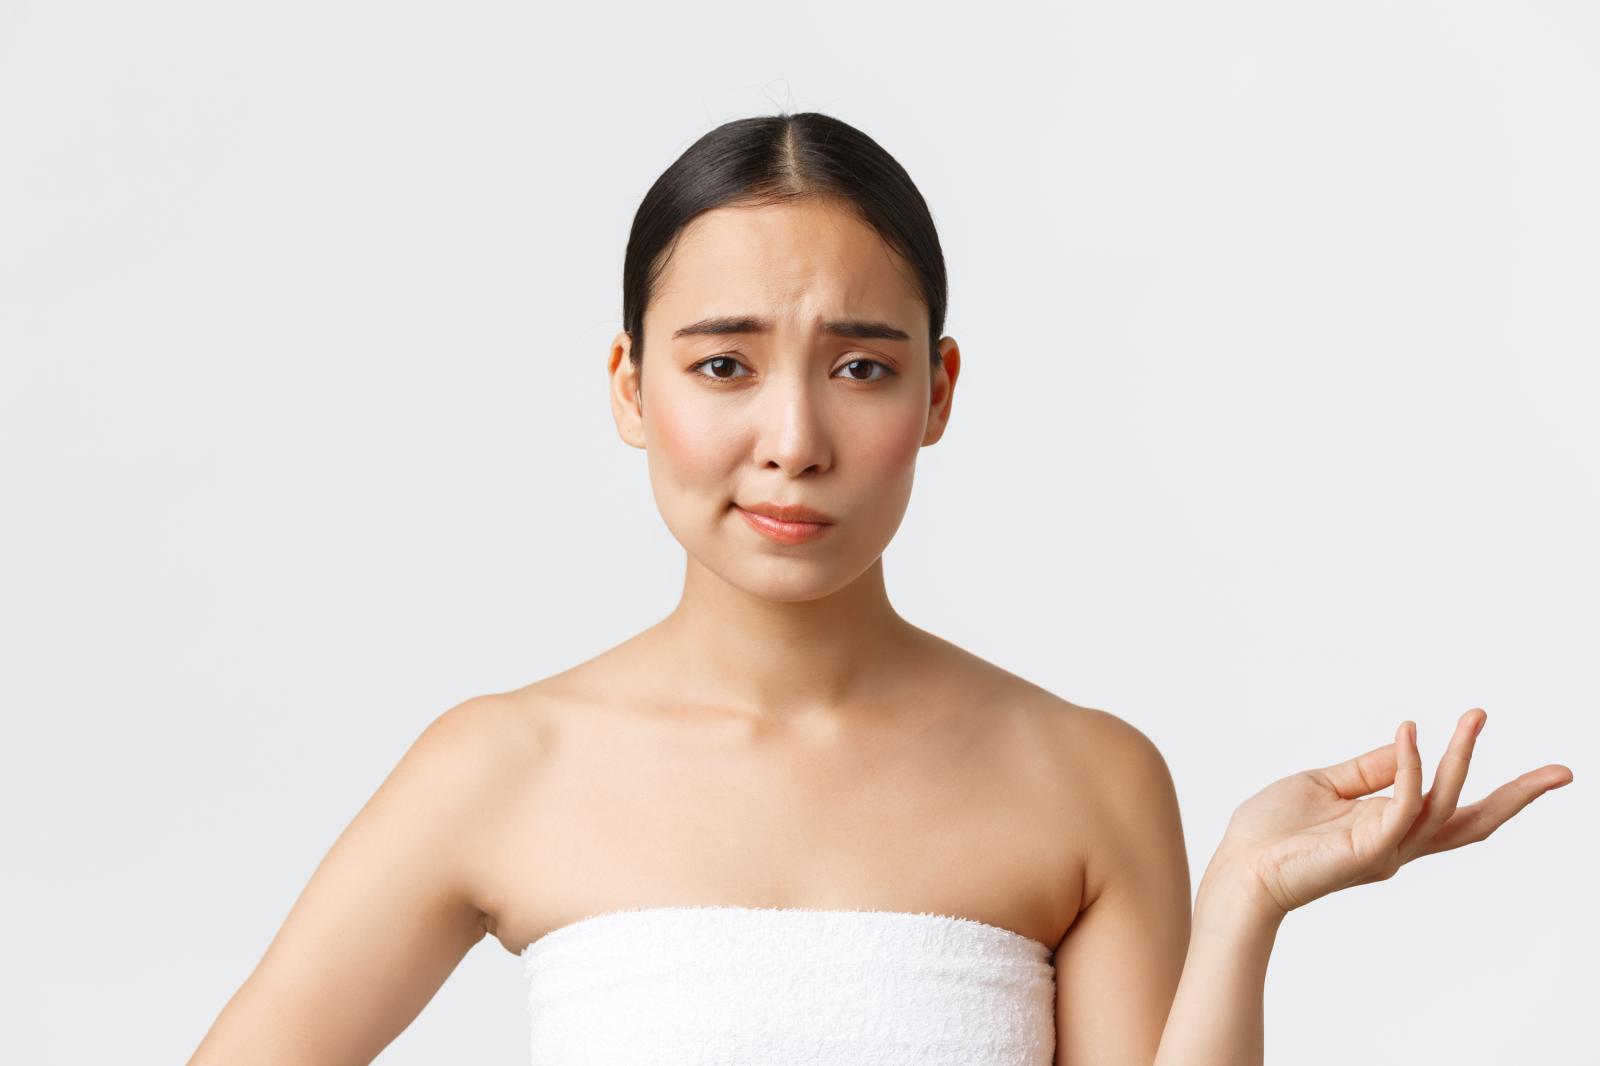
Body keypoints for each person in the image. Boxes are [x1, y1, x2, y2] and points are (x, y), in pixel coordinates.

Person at [187, 112, 1575, 1066]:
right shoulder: (502, 766)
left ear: (938, 390)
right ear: (631, 386)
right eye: (722, 365)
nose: (793, 437)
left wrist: (1247, 905)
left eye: (861, 366)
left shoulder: (1082, 775)